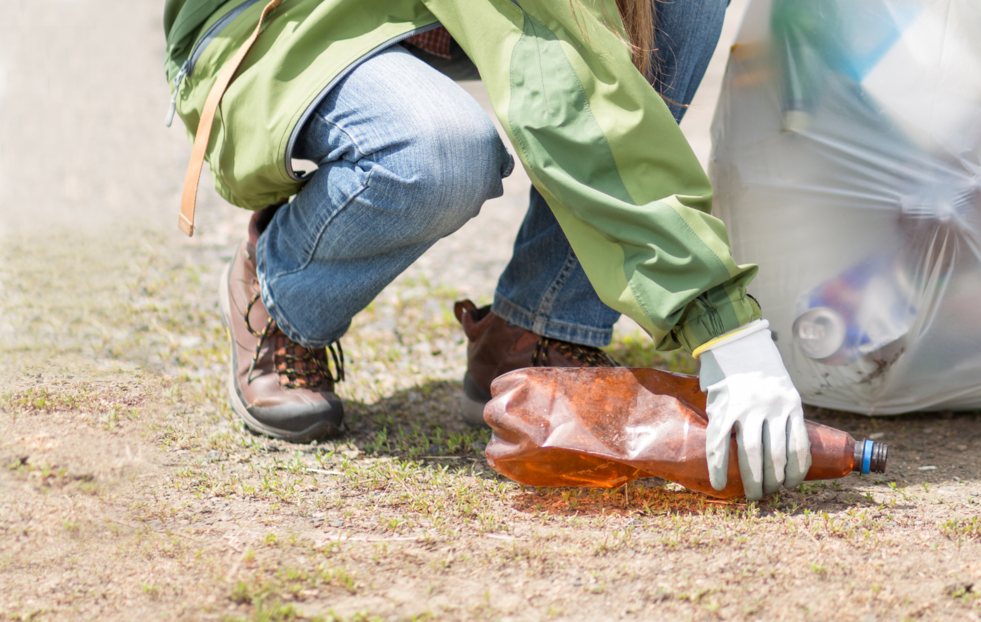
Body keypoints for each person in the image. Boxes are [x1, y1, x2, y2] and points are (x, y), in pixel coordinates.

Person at [163, 0, 810, 500]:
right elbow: (547, 69)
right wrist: (722, 323)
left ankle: (539, 326)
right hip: (285, 17)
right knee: (439, 153)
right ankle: (282, 293)